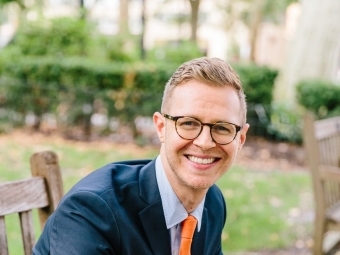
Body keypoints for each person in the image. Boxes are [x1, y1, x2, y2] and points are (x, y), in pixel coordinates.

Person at [32, 57, 249, 255]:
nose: (204, 142)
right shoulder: (92, 210)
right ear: (161, 127)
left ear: (240, 139)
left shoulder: (212, 202)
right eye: (189, 123)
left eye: (222, 127)